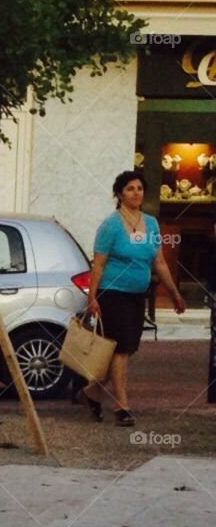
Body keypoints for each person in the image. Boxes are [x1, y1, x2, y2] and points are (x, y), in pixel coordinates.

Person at [82, 169, 185, 427]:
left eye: (139, 188)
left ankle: (92, 391)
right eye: (130, 189)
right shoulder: (110, 225)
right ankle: (122, 405)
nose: (136, 193)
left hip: (138, 294)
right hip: (113, 293)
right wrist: (92, 296)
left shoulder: (151, 223)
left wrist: (174, 294)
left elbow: (159, 262)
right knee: (121, 347)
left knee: (125, 348)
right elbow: (99, 264)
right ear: (119, 194)